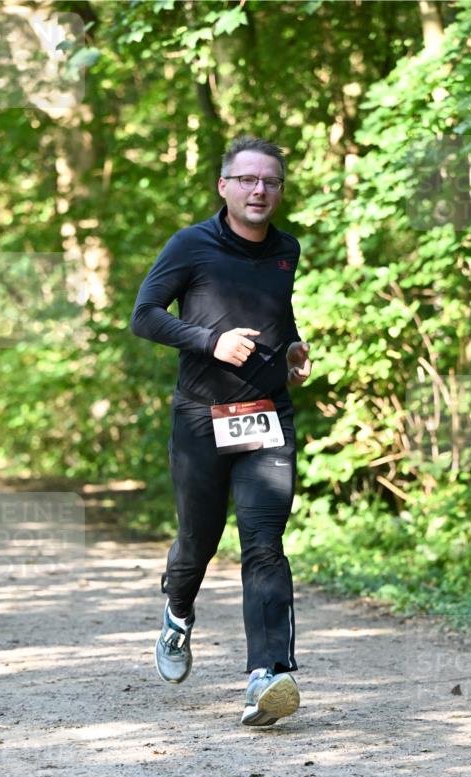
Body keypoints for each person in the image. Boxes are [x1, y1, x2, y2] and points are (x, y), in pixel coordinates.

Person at [130, 135, 312, 727]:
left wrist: (293, 346)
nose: (260, 190)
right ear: (224, 186)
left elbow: (277, 314)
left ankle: (269, 676)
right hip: (200, 418)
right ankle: (178, 613)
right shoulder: (192, 245)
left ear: (280, 190)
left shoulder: (287, 249)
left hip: (266, 416)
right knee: (197, 544)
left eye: (271, 182)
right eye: (248, 180)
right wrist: (211, 341)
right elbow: (145, 316)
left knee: (264, 542)